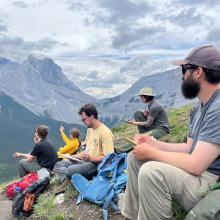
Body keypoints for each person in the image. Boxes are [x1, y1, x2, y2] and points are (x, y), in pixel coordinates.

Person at [122, 45, 220, 220]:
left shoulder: (218, 107)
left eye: (184, 69)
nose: (182, 76)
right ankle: (132, 215)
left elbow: (197, 165)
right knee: (135, 158)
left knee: (152, 173)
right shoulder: (197, 107)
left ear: (198, 72)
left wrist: (152, 152)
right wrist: (153, 143)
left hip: (211, 180)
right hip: (197, 173)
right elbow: (189, 147)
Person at [53, 104, 114, 194]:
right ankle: (71, 180)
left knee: (70, 170)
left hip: (96, 165)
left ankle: (70, 180)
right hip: (86, 160)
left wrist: (90, 158)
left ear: (92, 116)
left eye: (84, 119)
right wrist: (78, 156)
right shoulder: (90, 129)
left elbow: (109, 158)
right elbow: (88, 148)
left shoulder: (105, 133)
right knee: (58, 164)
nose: (83, 122)